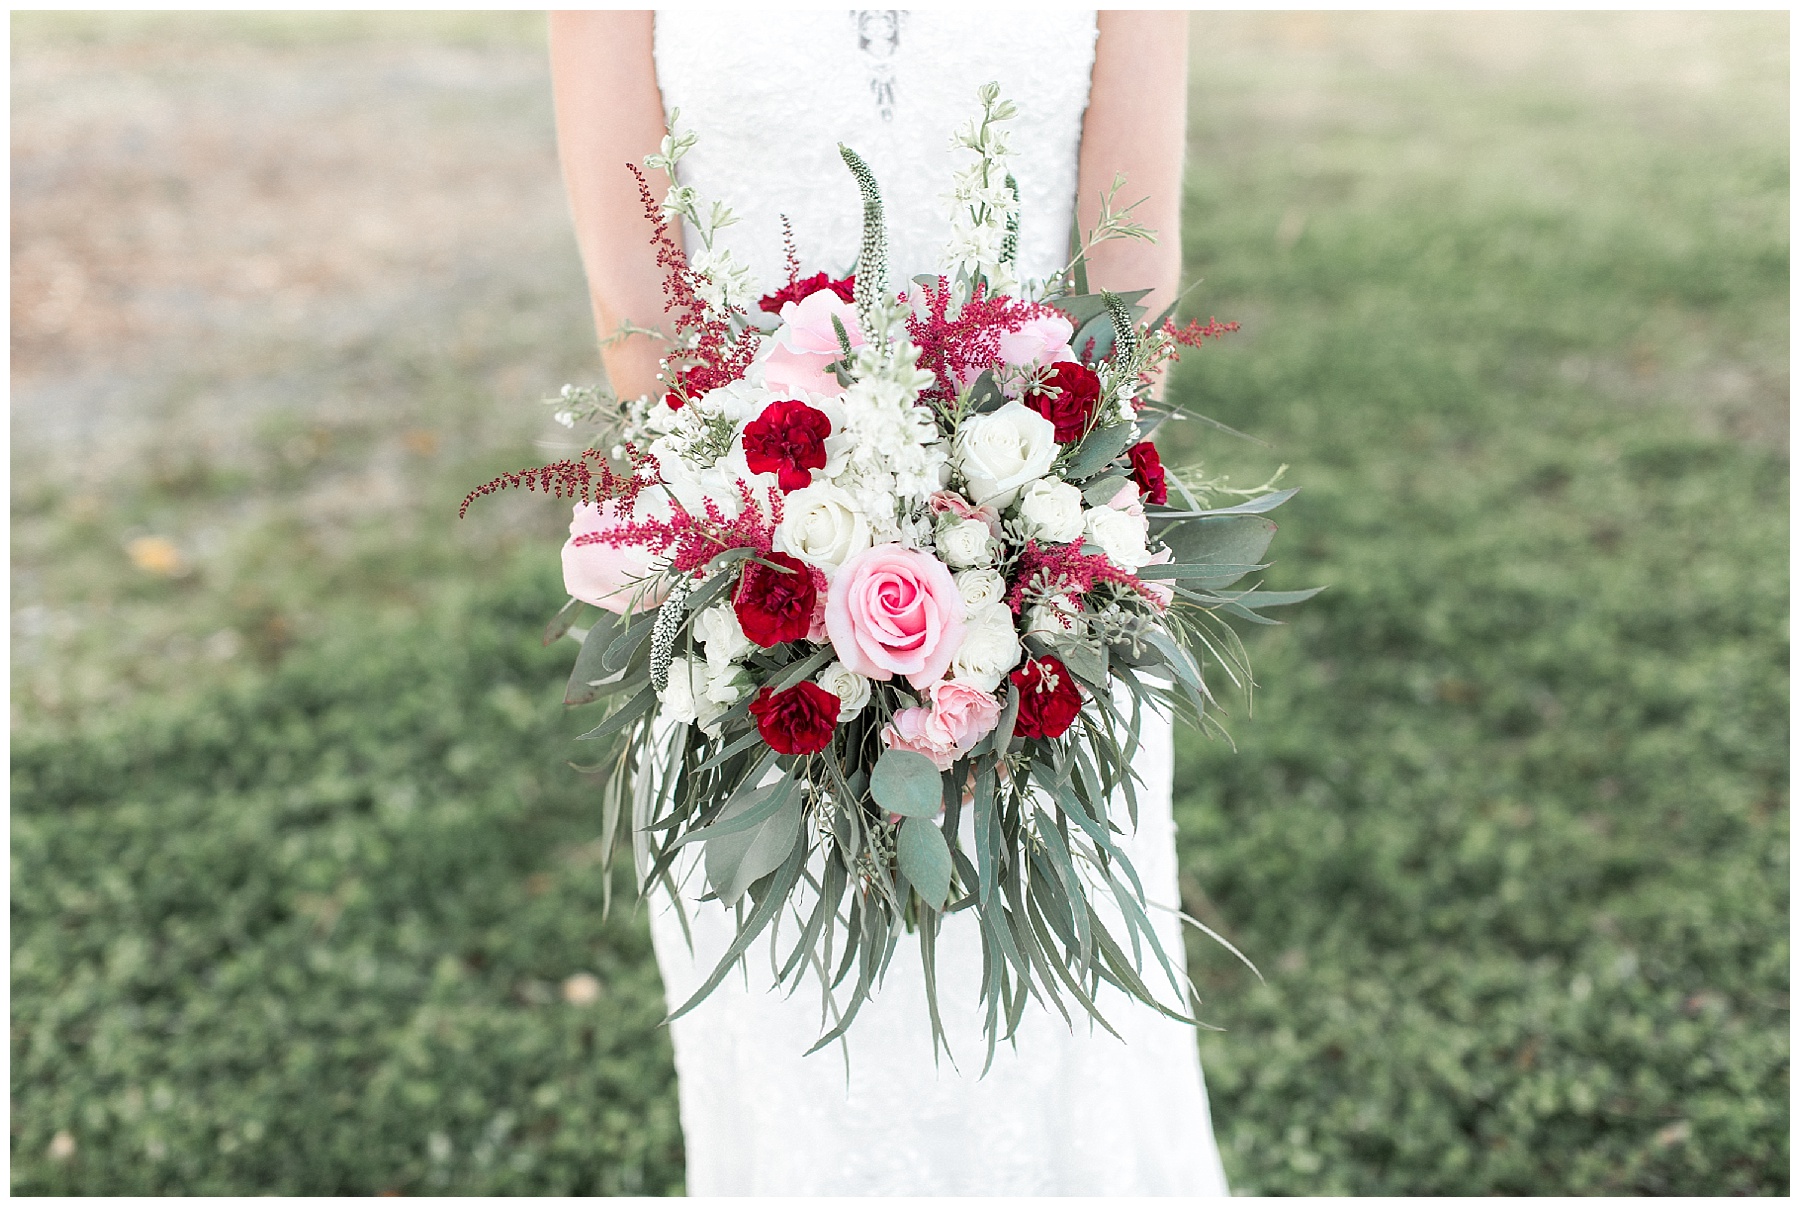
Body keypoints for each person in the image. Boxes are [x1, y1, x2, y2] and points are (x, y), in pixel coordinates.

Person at [548, 11, 1229, 1196]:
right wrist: (804, 595)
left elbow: (1133, 287)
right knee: (808, 1075)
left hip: (1041, 602)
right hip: (752, 618)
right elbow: (640, 324)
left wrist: (1014, 582)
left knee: (1061, 1068)